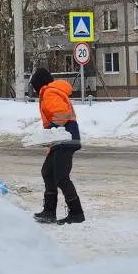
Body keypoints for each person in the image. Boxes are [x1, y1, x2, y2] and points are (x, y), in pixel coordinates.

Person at [30, 67, 84, 225]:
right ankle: (49, 211)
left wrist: (52, 132)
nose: (33, 89)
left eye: (34, 86)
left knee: (61, 177)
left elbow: (61, 115)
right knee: (47, 172)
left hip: (66, 138)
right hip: (59, 138)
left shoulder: (49, 93)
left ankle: (76, 213)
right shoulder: (50, 92)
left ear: (40, 83)